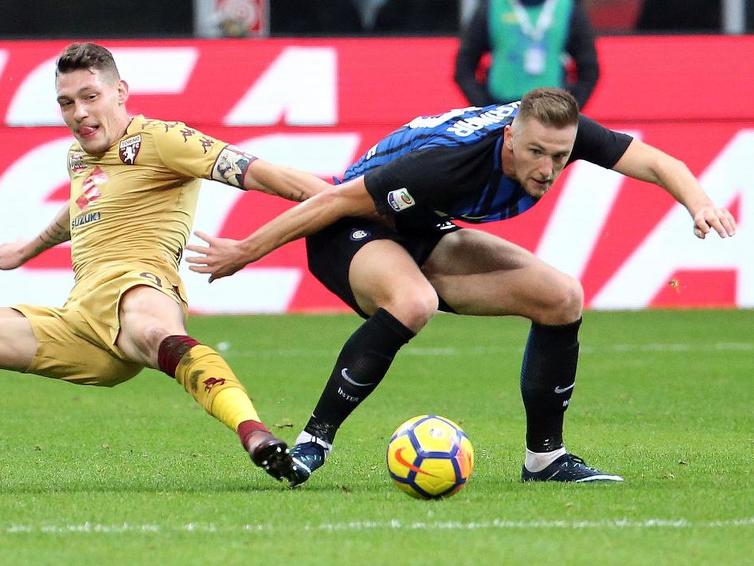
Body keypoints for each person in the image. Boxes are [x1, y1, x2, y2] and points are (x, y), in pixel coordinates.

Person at [186, 87, 736, 485]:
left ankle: (546, 459)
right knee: (414, 300)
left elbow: (660, 162)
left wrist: (701, 203)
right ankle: (313, 444)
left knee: (561, 297)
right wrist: (244, 250)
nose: (548, 168)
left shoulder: (559, 130)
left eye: (562, 157)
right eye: (538, 153)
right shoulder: (446, 165)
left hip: (419, 227)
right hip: (346, 229)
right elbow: (332, 200)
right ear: (510, 136)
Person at [0, 42, 332, 494]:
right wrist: (28, 249)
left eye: (91, 97)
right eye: (67, 103)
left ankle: (255, 435)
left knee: (153, 332)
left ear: (120, 91)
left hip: (140, 286)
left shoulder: (164, 139)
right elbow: (79, 211)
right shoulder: (78, 156)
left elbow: (261, 172)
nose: (79, 113)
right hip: (81, 321)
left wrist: (347, 196)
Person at [455, 0, 599, 108]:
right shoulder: (491, 6)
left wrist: (567, 112)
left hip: (550, 113)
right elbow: (464, 66)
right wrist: (486, 109)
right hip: (500, 106)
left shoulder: (568, 8)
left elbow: (589, 69)